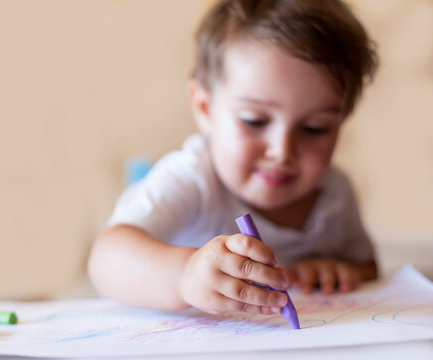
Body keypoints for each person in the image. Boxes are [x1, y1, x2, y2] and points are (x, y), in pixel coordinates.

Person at [88, 0, 379, 316]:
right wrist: (185, 276)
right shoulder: (192, 177)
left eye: (315, 128)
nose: (282, 151)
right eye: (254, 121)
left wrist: (334, 270)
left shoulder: (334, 194)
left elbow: (367, 266)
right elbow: (106, 260)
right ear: (204, 108)